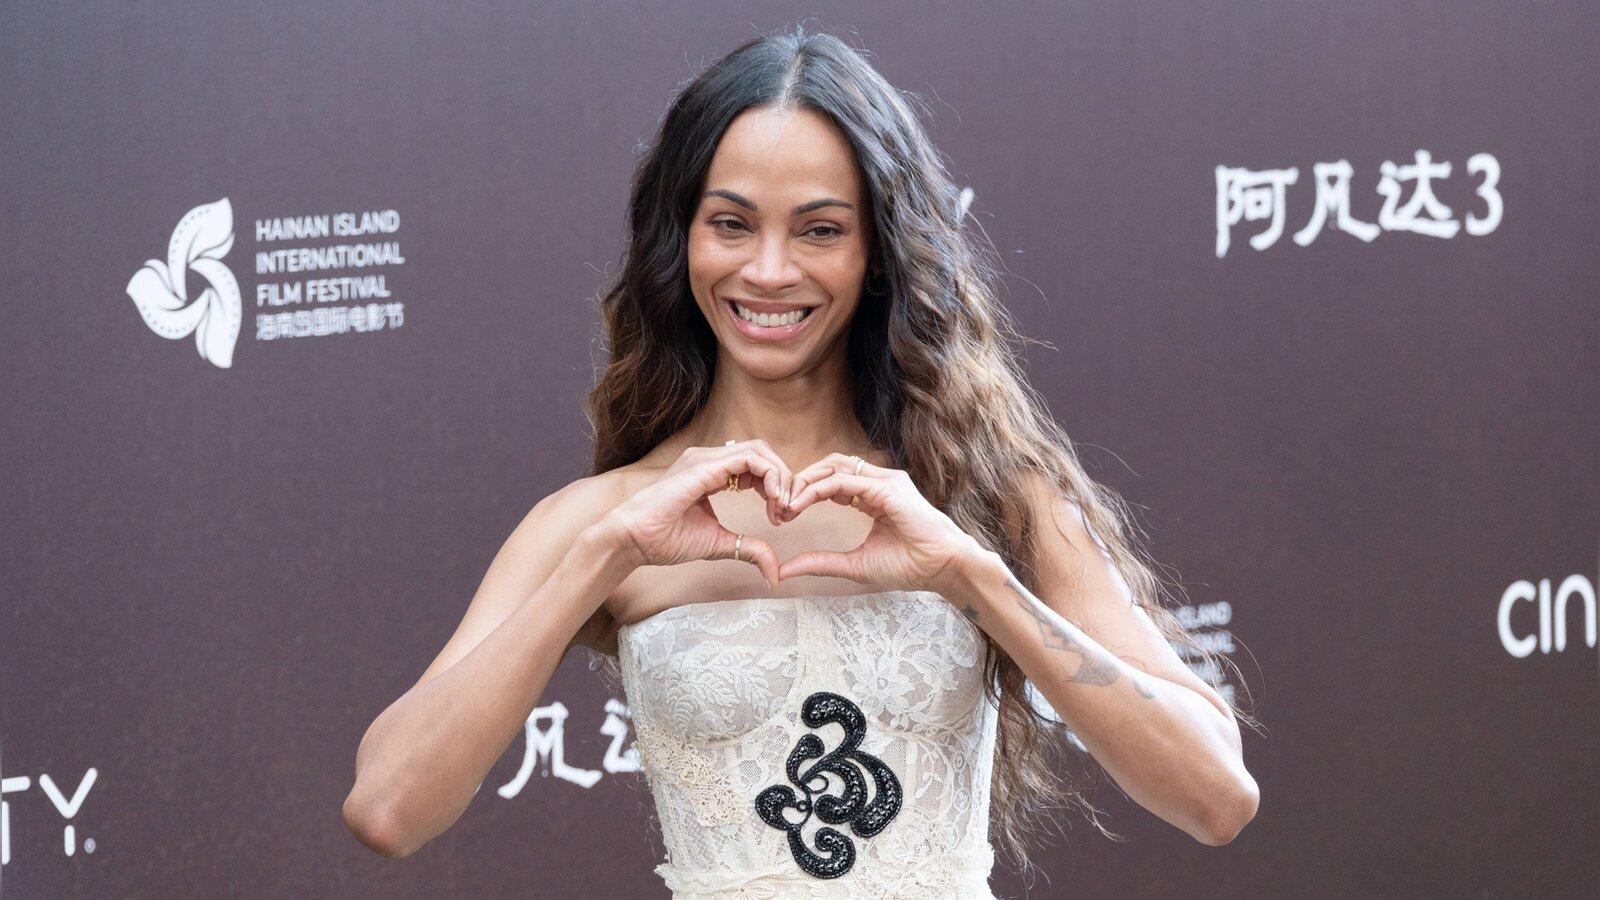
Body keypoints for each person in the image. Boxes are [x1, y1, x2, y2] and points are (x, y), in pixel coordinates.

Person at [342, 25, 1259, 897]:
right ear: (680, 238)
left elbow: (1216, 797)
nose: (770, 271)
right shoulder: (602, 521)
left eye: (820, 230)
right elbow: (387, 810)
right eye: (731, 224)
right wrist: (604, 558)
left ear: (879, 251)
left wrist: (971, 578)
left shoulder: (989, 498)